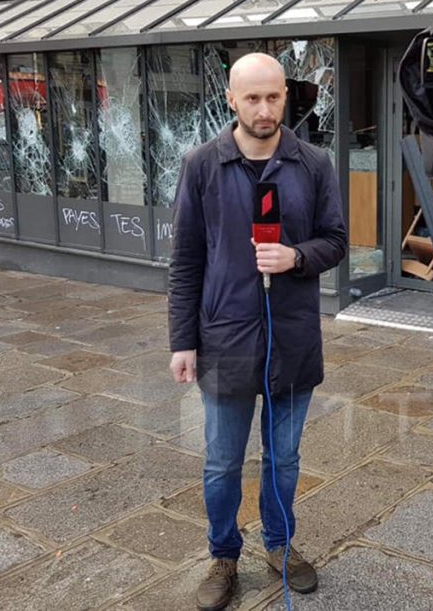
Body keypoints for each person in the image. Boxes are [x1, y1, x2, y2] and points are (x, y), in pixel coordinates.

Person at [167, 52, 347, 611]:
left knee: (284, 459)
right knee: (222, 460)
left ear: (285, 97)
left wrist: (295, 255)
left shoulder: (313, 162)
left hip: (291, 338)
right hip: (224, 336)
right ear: (231, 99)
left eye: (273, 97)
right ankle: (223, 555)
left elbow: (337, 242)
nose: (264, 108)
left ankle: (280, 543)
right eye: (252, 98)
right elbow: (186, 259)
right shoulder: (201, 165)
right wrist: (182, 340)